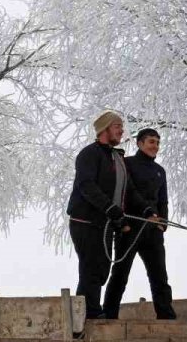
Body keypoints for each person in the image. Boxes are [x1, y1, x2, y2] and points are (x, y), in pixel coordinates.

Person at [67, 111, 157, 320]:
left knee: (102, 269)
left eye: (121, 127)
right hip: (86, 221)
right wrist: (109, 208)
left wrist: (146, 210)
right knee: (91, 267)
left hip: (106, 223)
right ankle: (88, 315)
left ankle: (89, 311)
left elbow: (129, 190)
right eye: (117, 126)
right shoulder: (89, 154)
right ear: (104, 129)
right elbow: (86, 185)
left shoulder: (116, 158)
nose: (122, 130)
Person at [102, 127, 177, 320]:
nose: (155, 146)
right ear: (140, 143)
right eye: (151, 142)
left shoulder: (160, 171)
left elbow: (163, 201)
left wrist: (162, 224)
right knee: (120, 274)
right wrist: (131, 219)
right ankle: (109, 315)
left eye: (158, 143)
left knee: (159, 276)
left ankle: (166, 316)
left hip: (153, 230)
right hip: (130, 227)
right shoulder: (127, 164)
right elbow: (128, 192)